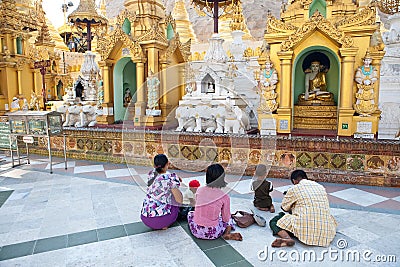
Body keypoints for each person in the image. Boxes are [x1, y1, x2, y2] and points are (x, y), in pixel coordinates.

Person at [269, 170, 337, 247]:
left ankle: (287, 238)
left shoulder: (294, 189)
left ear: (294, 181)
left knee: (276, 220)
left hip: (305, 230)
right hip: (326, 232)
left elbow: (284, 208)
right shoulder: (320, 187)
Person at [188, 164, 243, 241]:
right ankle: (227, 233)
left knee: (190, 213)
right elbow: (225, 218)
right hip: (213, 233)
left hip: (196, 230)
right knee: (229, 219)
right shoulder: (224, 197)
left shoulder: (199, 190)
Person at [141, 154, 183, 230]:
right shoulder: (170, 178)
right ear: (167, 164)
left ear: (154, 165)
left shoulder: (151, 174)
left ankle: (160, 221)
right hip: (160, 220)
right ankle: (165, 223)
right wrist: (175, 182)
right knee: (175, 198)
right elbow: (179, 200)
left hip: (145, 218)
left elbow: (161, 177)